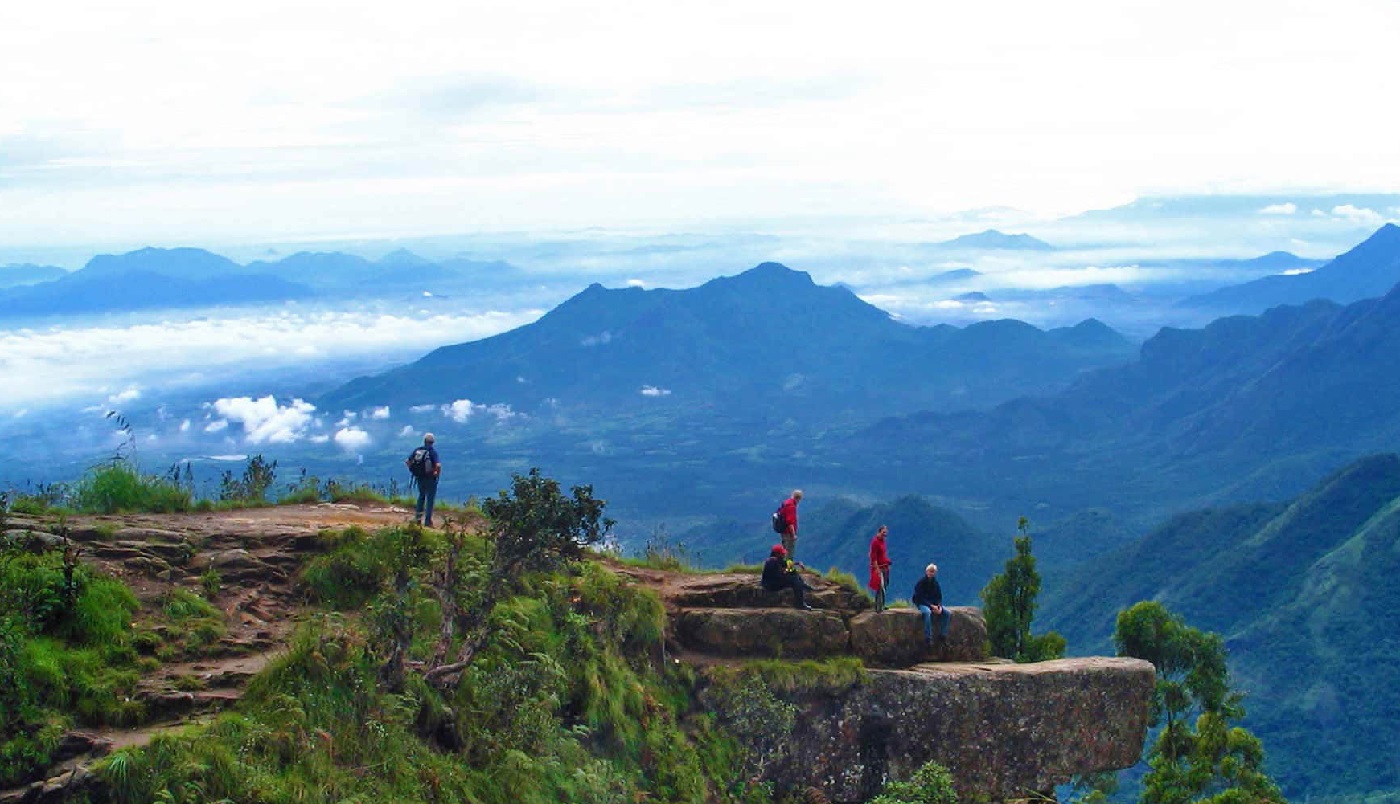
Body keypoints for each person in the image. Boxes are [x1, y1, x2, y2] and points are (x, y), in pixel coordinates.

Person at [761, 544, 812, 610]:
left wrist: (797, 563)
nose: (784, 555)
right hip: (770, 585)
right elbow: (778, 576)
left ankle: (802, 585)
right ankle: (800, 604)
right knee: (794, 580)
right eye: (782, 553)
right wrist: (787, 572)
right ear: (777, 554)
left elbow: (786, 563)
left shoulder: (776, 560)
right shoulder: (772, 562)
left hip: (774, 581)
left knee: (793, 573)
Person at [405, 433, 441, 527]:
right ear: (432, 442)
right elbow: (438, 465)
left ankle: (417, 519)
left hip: (419, 477)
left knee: (421, 497)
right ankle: (428, 522)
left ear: (424, 441)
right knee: (430, 499)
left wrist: (413, 471)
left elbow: (407, 461)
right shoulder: (432, 452)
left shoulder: (418, 450)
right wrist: (436, 474)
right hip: (430, 478)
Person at [912, 563, 951, 647]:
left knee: (947, 613)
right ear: (926, 571)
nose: (931, 573)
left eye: (933, 572)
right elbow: (919, 597)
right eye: (930, 571)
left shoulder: (935, 583)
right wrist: (931, 606)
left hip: (933, 604)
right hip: (922, 603)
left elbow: (939, 596)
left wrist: (939, 606)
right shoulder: (921, 582)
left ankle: (942, 635)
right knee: (927, 613)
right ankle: (928, 638)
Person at [868, 525, 891, 612]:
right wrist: (876, 569)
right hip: (879, 568)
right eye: (883, 532)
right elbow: (873, 557)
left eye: (886, 532)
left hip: (885, 566)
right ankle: (878, 607)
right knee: (880, 587)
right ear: (879, 532)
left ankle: (882, 604)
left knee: (884, 586)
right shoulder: (875, 542)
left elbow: (882, 554)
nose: (885, 534)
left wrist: (887, 562)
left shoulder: (882, 541)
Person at [778, 489, 803, 560]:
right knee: (789, 554)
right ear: (798, 498)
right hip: (788, 533)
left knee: (784, 551)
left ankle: (782, 568)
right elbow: (790, 522)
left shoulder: (786, 503)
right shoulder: (791, 506)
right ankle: (789, 569)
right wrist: (793, 535)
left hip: (783, 531)